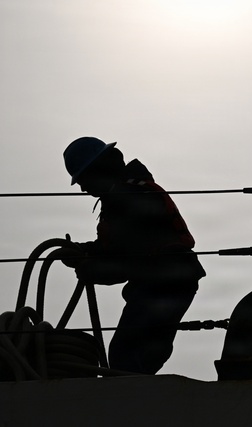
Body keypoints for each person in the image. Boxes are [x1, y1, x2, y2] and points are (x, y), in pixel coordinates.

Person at [57, 137, 206, 374]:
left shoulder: (129, 198)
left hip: (165, 282)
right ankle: (138, 402)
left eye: (84, 180)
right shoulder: (126, 194)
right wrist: (83, 251)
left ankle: (135, 407)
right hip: (167, 280)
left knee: (127, 357)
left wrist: (88, 268)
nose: (84, 189)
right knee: (136, 356)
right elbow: (118, 248)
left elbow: (127, 262)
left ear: (99, 170)